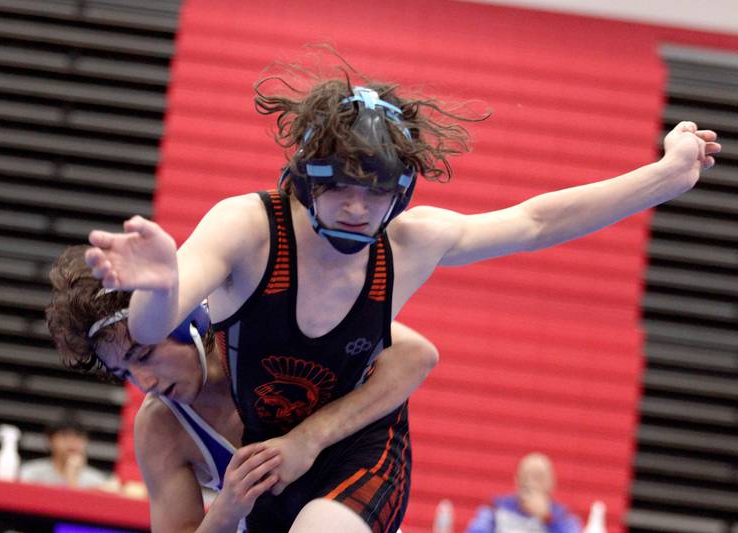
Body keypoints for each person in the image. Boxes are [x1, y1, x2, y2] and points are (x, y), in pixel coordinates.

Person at [84, 59, 719, 532]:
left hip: (360, 449)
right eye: (339, 188)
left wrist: (663, 177)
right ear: (306, 180)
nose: (358, 209)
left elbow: (536, 223)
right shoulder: (249, 229)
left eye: (376, 191)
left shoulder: (408, 244)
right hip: (270, 447)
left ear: (403, 191)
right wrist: (161, 283)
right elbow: (154, 324)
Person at [47, 245, 438, 533]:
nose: (144, 383)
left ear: (185, 320)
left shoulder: (255, 322)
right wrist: (228, 507)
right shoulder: (161, 428)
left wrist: (308, 439)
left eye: (145, 355)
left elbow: (416, 354)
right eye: (124, 372)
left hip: (358, 491)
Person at [465, 452, 582, 533]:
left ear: (551, 483)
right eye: (526, 476)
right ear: (516, 479)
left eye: (538, 477)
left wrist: (547, 518)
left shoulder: (562, 516)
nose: (531, 482)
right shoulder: (495, 508)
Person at [20, 410, 109, 490]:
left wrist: (72, 477)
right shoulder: (31, 474)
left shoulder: (97, 483)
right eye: (64, 436)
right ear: (50, 440)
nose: (72, 443)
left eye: (78, 436)